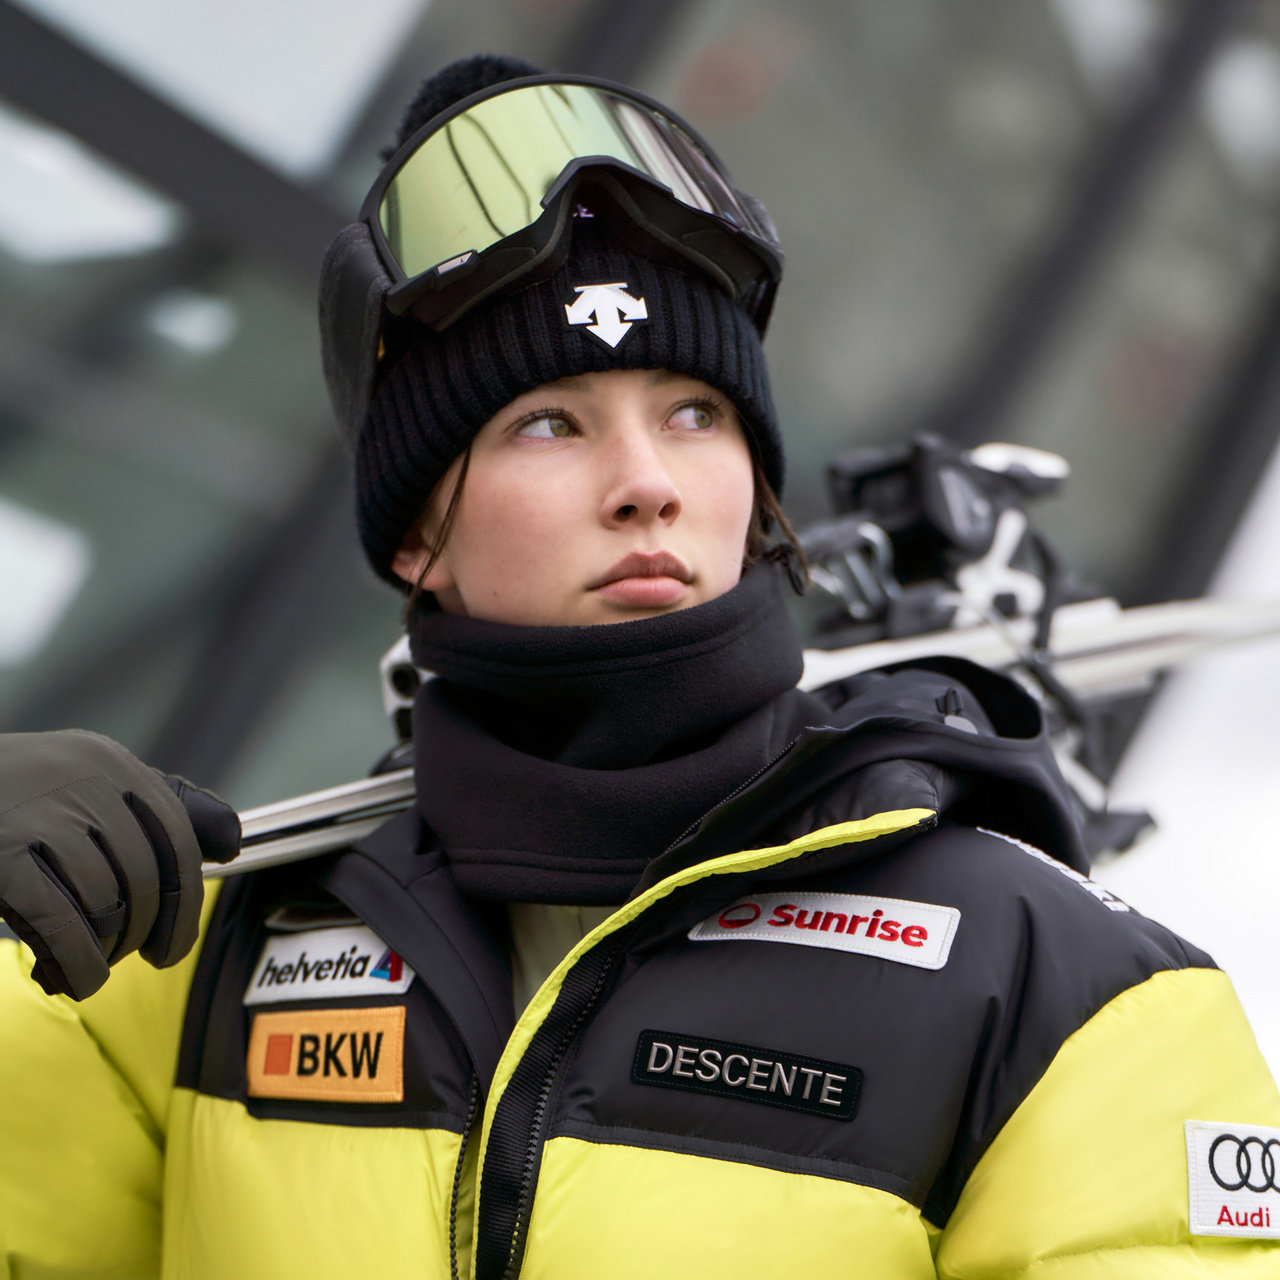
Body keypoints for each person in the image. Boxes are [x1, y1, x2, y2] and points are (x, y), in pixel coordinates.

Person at [1, 54, 1279, 1280]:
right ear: (414, 536)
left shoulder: (1063, 994)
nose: (645, 483)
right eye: (547, 423)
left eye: (693, 412)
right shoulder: (192, 956)